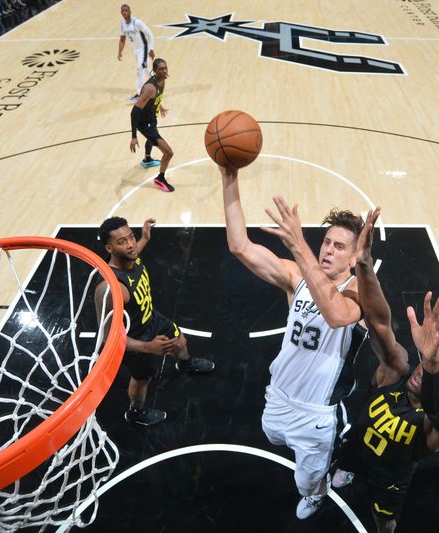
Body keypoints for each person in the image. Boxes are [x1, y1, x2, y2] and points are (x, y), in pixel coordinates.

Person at [220, 165, 366, 519]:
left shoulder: (359, 291)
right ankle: (328, 461)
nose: (329, 250)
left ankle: (319, 491)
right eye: (326, 242)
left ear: (356, 256)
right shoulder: (297, 276)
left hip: (317, 414)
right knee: (272, 435)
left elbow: (337, 314)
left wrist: (299, 246)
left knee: (307, 480)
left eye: (339, 246)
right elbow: (240, 246)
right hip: (280, 395)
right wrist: (229, 177)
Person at [330, 208, 439, 533]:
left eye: (435, 371)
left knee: (384, 518)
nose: (422, 370)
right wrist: (363, 266)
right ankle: (347, 469)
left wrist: (433, 363)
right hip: (358, 445)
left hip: (390, 477)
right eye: (426, 363)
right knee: (347, 459)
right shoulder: (397, 372)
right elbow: (380, 327)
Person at [94, 216, 214, 427]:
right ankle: (136, 412)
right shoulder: (110, 289)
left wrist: (145, 237)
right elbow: (107, 338)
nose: (131, 244)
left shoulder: (130, 256)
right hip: (136, 339)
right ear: (109, 248)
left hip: (152, 318)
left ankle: (185, 364)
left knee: (180, 340)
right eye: (122, 241)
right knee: (142, 380)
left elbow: (135, 250)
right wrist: (147, 347)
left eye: (131, 237)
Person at [129, 57, 174, 192]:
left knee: (152, 139)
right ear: (154, 71)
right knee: (168, 152)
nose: (164, 71)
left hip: (151, 119)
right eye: (161, 69)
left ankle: (147, 160)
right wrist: (134, 136)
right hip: (144, 124)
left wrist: (159, 107)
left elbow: (155, 99)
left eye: (165, 68)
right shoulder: (150, 88)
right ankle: (160, 178)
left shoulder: (163, 80)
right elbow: (134, 112)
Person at [117, 3, 155, 102]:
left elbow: (150, 34)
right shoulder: (122, 25)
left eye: (126, 10)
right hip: (136, 51)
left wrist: (151, 49)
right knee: (145, 68)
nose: (125, 12)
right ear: (121, 13)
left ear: (130, 12)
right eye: (123, 11)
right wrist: (120, 52)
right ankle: (157, 83)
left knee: (139, 69)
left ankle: (140, 94)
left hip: (144, 48)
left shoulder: (137, 23)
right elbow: (122, 40)